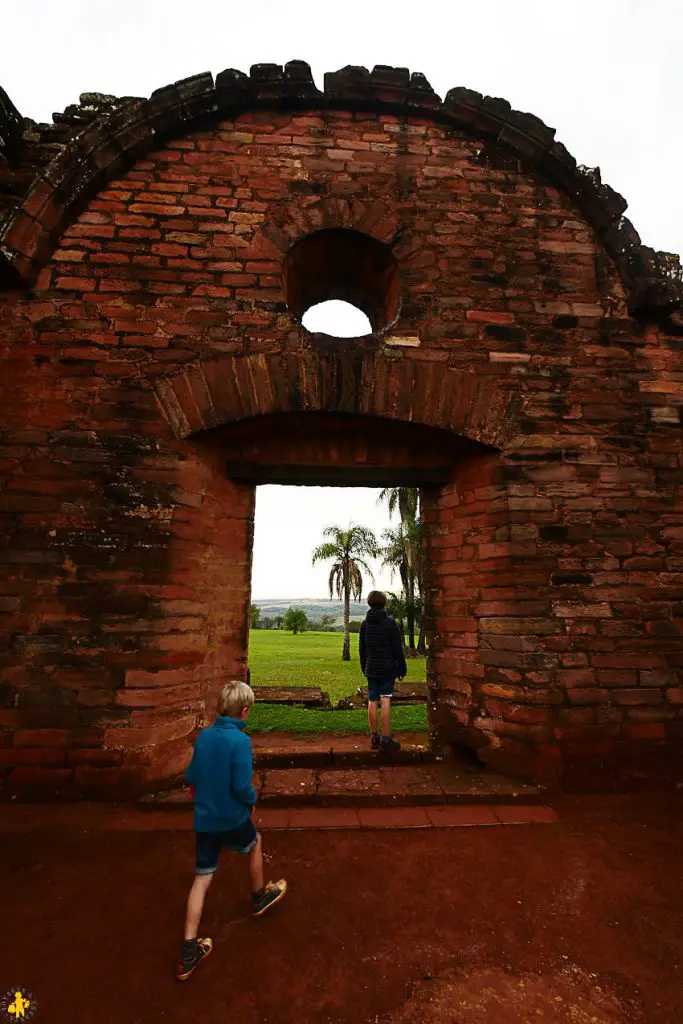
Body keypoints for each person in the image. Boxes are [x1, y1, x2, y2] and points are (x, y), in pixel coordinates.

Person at [177, 680, 287, 981]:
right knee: (254, 842)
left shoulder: (204, 737)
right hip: (231, 816)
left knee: (202, 878)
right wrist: (251, 801)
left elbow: (192, 775)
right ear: (245, 710)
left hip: (206, 818)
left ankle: (188, 949)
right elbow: (240, 785)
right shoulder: (240, 742)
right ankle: (259, 895)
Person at [359, 590, 407, 754]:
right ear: (384, 603)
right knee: (385, 699)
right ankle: (386, 739)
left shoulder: (365, 624)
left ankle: (374, 736)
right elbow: (397, 649)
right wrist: (402, 668)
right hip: (387, 668)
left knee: (372, 701)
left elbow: (362, 650)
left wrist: (364, 667)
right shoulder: (390, 624)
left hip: (372, 668)